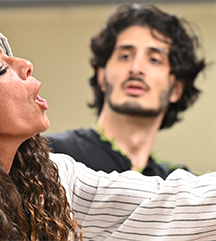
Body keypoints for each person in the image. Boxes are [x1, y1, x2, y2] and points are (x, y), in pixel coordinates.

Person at [0, 23, 216, 241]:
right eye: (2, 69)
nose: (25, 65)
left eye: (155, 59)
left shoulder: (53, 179)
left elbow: (168, 205)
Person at [47, 3, 206, 179]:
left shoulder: (178, 186)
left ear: (176, 89)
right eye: (125, 56)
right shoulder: (50, 155)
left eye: (154, 60)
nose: (136, 68)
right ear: (102, 76)